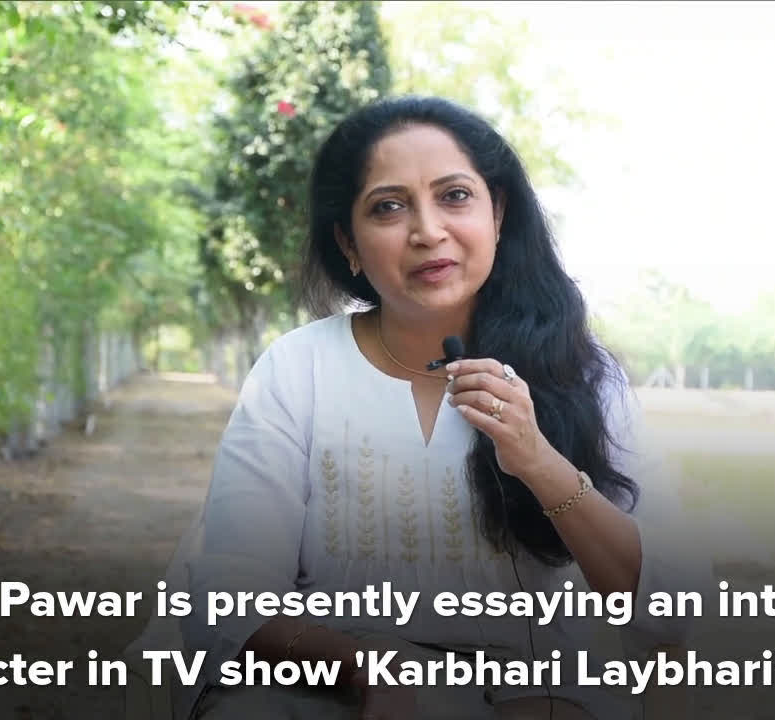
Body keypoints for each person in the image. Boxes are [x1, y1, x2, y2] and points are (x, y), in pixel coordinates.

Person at [129, 96, 710, 720]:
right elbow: (231, 594)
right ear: (349, 243)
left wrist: (539, 461)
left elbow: (670, 609)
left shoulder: (582, 375)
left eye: (455, 196)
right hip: (325, 682)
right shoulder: (299, 368)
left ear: (498, 213)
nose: (428, 231)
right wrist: (365, 665)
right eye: (389, 206)